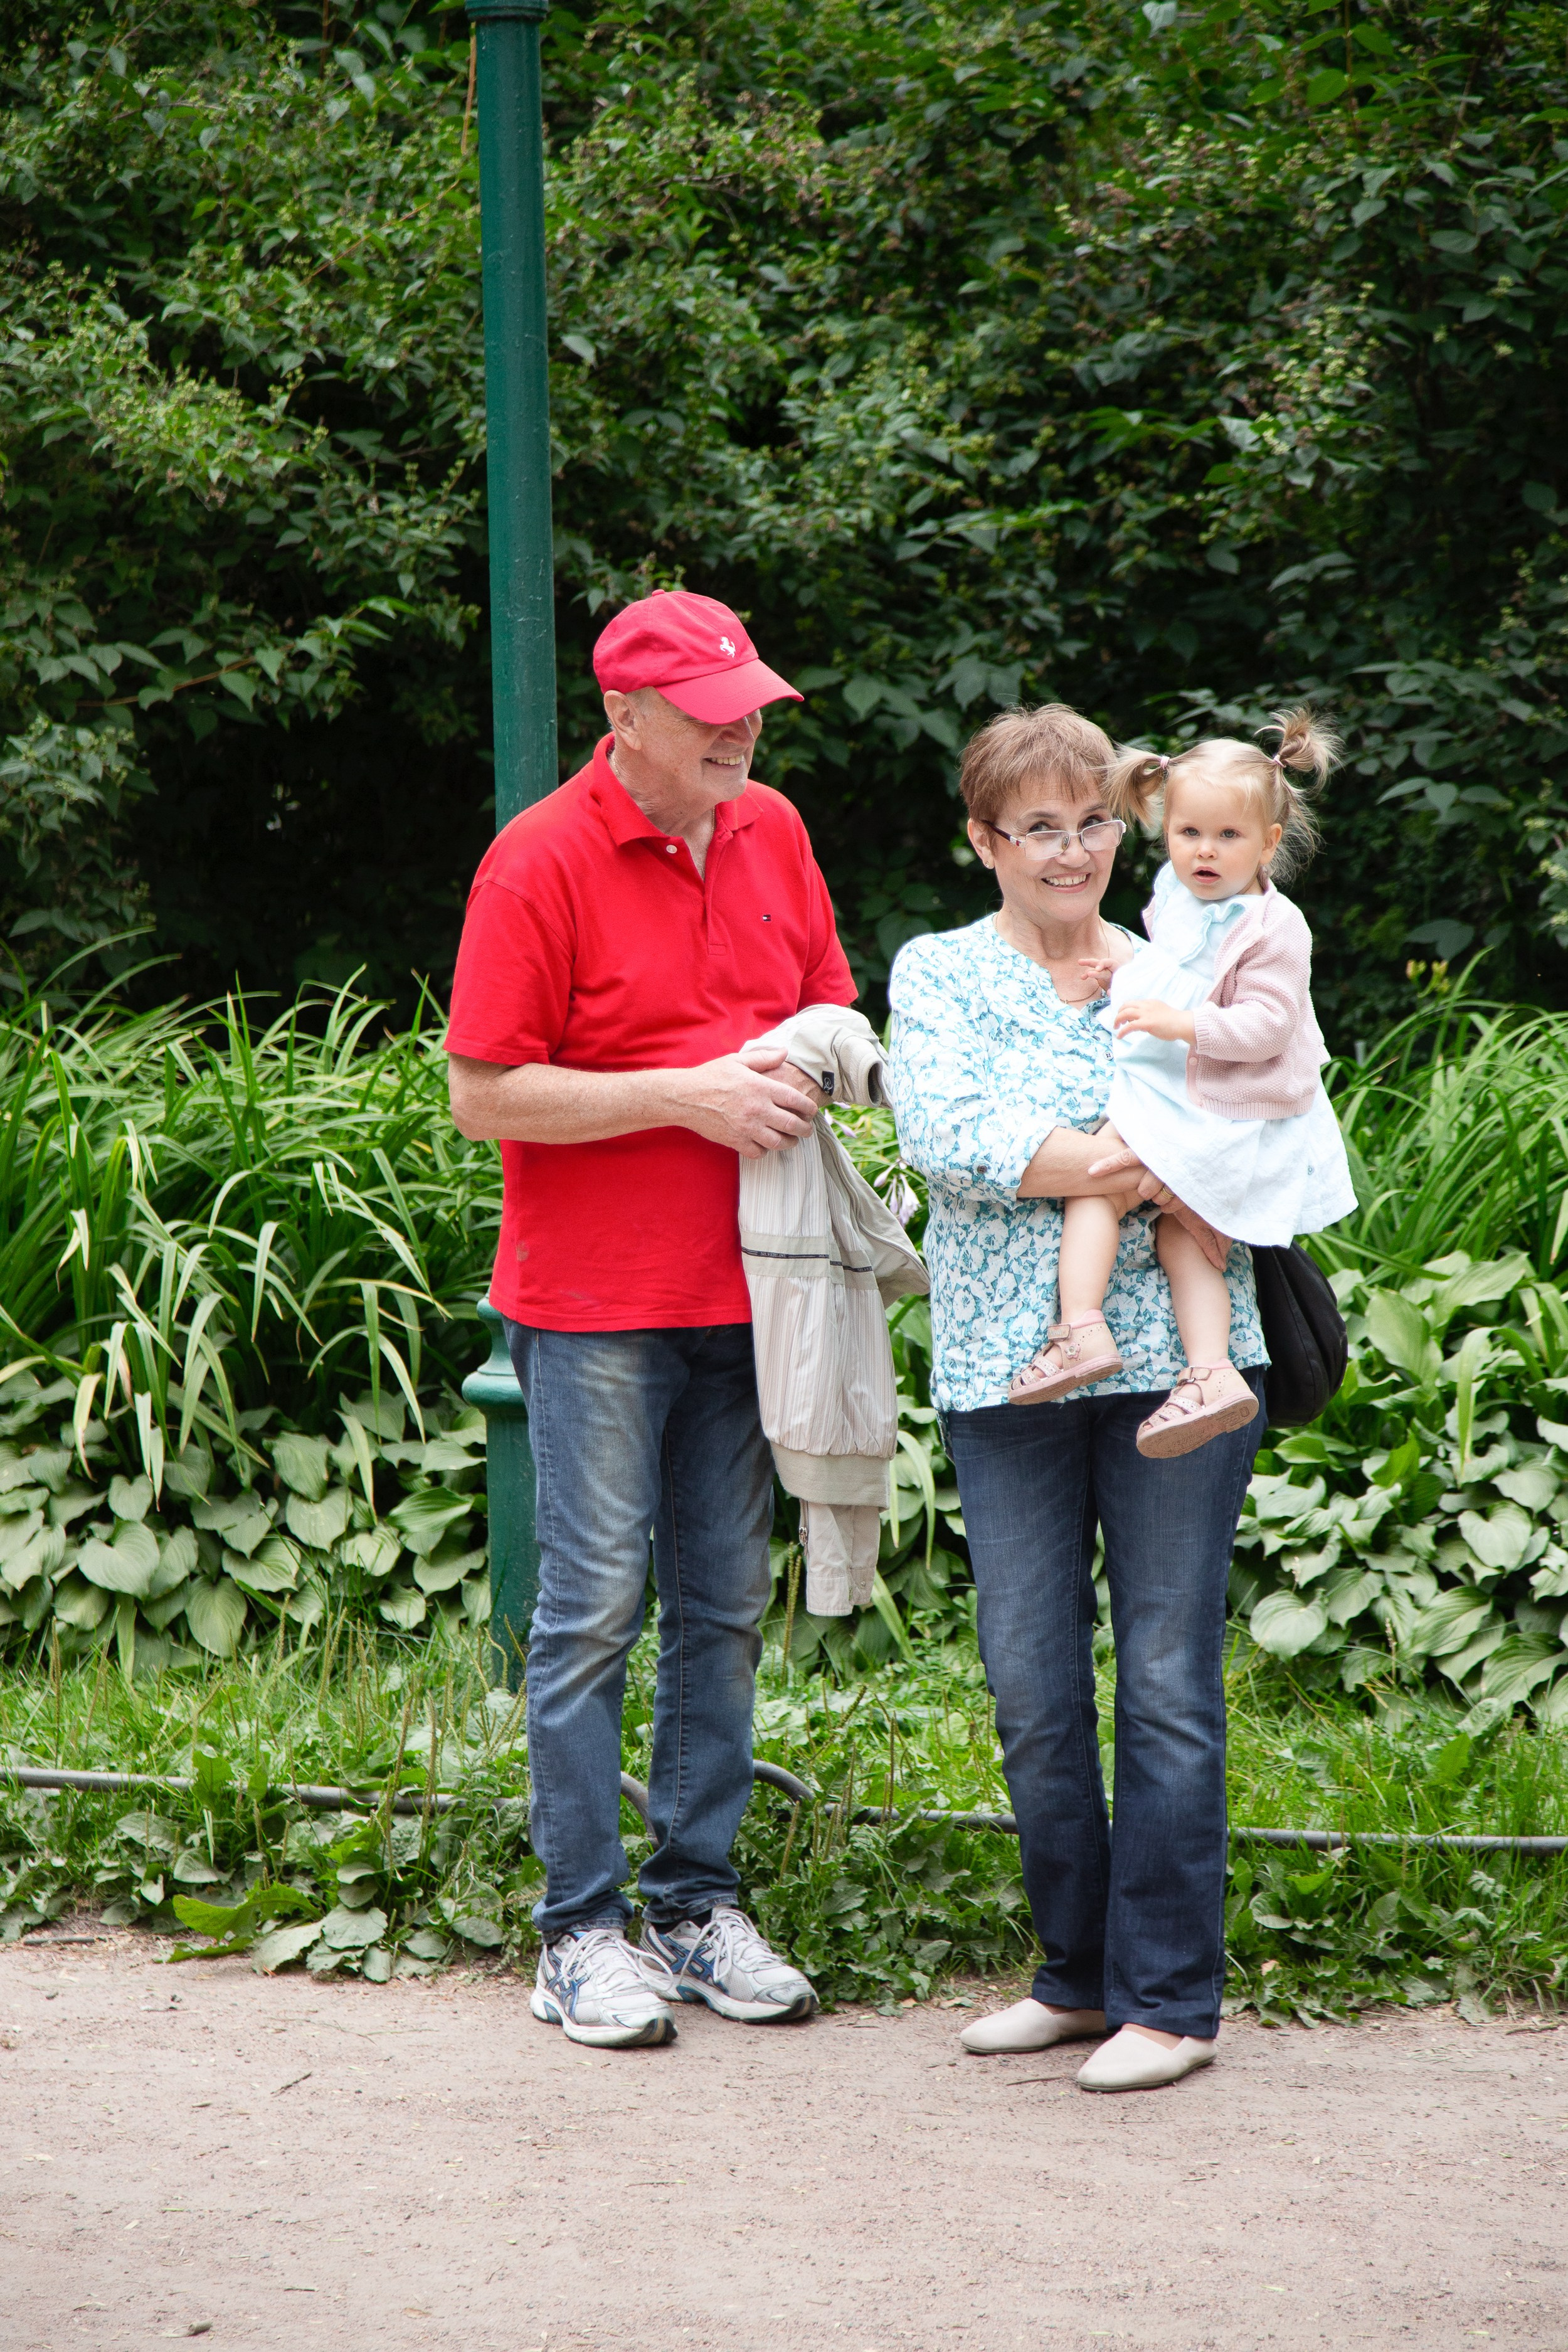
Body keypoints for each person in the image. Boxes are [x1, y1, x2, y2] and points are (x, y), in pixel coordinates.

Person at [446, 588, 854, 2049]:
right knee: (591, 1613)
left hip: (755, 1290)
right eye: (710, 710)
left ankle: (695, 1905)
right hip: (597, 1306)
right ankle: (578, 1931)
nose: (741, 727)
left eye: (749, 701)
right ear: (626, 719)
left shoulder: (774, 829)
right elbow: (484, 1090)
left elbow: (822, 996)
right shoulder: (536, 862)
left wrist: (827, 1058)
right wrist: (683, 1092)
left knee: (725, 1611)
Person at [886, 702, 1270, 2094]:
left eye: (1095, 821)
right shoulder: (937, 971)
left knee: (1164, 1680)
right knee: (1031, 1686)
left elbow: (1273, 1097)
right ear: (983, 840)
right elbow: (948, 1134)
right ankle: (1074, 1977)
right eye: (1039, 827)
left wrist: (1140, 1157)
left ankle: (1167, 2004)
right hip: (1006, 1364)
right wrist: (1135, 1158)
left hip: (1185, 1361)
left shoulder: (1188, 947)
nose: (1074, 851)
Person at [1007, 707, 1355, 1458]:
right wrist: (1129, 972)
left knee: (1098, 1176)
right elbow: (1177, 968)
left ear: (1266, 843)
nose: (1204, 851)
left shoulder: (1272, 925)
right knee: (1182, 1231)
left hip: (1237, 1104)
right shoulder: (1179, 896)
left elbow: (1265, 1027)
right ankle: (1212, 1373)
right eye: (1188, 833)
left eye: (1227, 837)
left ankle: (1079, 1328)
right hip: (1203, 1090)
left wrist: (1179, 1023)